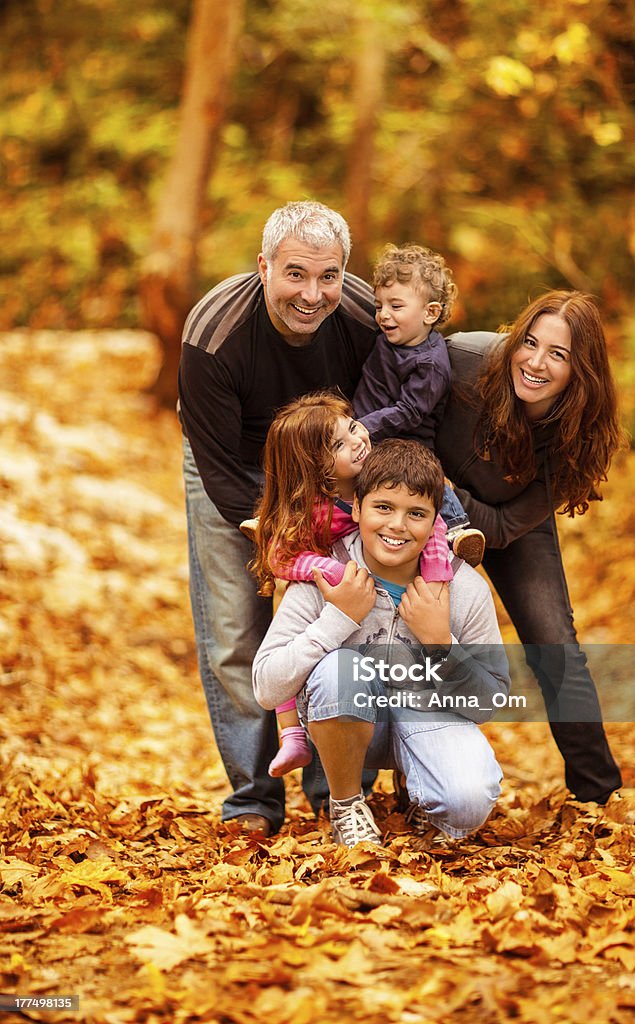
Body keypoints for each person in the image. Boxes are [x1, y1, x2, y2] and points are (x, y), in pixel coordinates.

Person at [177, 200, 377, 836]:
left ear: (344, 273)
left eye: (328, 277)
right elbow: (214, 467)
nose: (312, 294)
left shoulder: (365, 319)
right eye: (295, 274)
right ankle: (255, 797)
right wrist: (282, 544)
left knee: (339, 620)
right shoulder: (213, 335)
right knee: (237, 631)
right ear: (263, 266)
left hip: (333, 471)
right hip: (235, 468)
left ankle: (335, 789)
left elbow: (386, 418)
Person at [253, 440, 509, 847]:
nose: (397, 526)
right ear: (356, 509)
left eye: (417, 514)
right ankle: (347, 805)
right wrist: (337, 619)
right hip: (344, 712)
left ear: (434, 523)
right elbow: (267, 688)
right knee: (341, 668)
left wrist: (441, 643)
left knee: (467, 801)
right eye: (384, 507)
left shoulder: (462, 587)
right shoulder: (324, 572)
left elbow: (490, 701)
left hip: (426, 713)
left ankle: (417, 791)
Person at [436, 290, 625, 805]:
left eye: (558, 355)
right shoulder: (462, 361)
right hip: (422, 515)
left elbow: (499, 531)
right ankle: (409, 787)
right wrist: (432, 497)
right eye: (531, 343)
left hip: (514, 526)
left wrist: (455, 498)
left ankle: (599, 796)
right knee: (411, 640)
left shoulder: (582, 433)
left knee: (556, 650)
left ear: (579, 371)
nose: (536, 362)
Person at [248, 391, 456, 777]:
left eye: (354, 428)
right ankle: (291, 732)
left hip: (377, 590)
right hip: (333, 590)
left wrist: (436, 585)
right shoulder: (312, 508)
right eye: (339, 445)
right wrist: (329, 570)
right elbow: (280, 557)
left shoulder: (380, 474)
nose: (358, 441)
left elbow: (434, 526)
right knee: (296, 636)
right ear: (316, 466)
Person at [353, 243, 484, 566]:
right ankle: (280, 522)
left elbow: (411, 410)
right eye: (380, 305)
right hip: (364, 432)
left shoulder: (431, 363)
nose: (384, 314)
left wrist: (365, 425)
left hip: (406, 439)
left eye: (396, 306)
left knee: (425, 479)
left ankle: (458, 530)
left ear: (430, 313)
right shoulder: (390, 337)